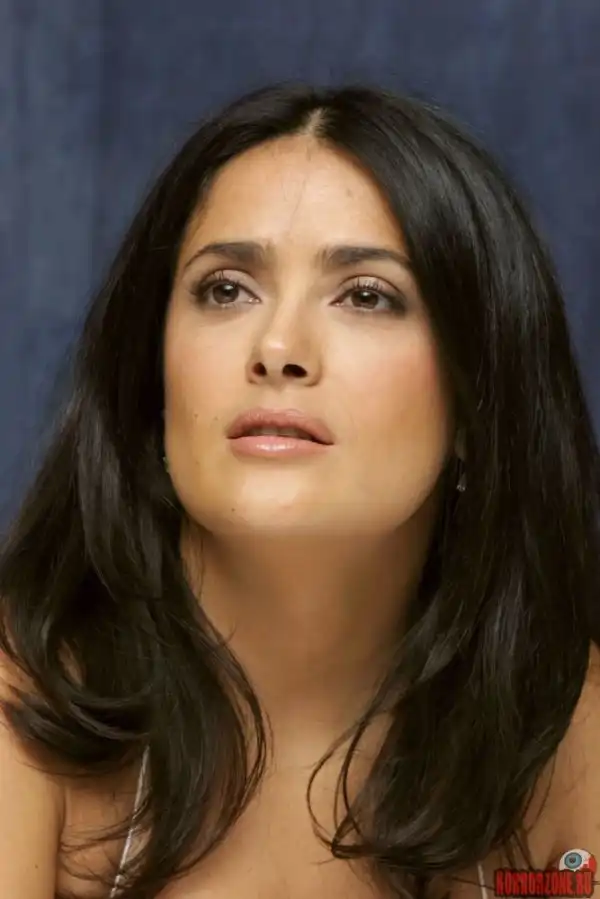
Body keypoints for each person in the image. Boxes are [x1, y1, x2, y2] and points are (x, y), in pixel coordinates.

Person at [0, 82, 598, 899]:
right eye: (225, 288)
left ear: (477, 400)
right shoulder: (19, 702)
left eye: (367, 296)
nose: (278, 346)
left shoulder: (570, 730)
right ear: (152, 376)